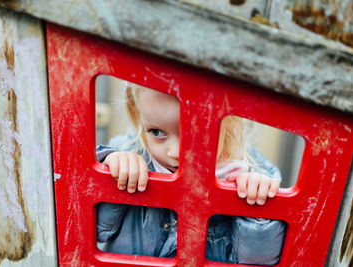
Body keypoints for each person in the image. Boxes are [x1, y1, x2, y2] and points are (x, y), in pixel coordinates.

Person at [96, 84, 286, 264]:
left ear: (228, 123)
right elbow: (96, 230)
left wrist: (256, 209)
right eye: (157, 132)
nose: (175, 152)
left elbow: (259, 260)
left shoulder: (249, 172)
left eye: (194, 130)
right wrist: (112, 171)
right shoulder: (129, 152)